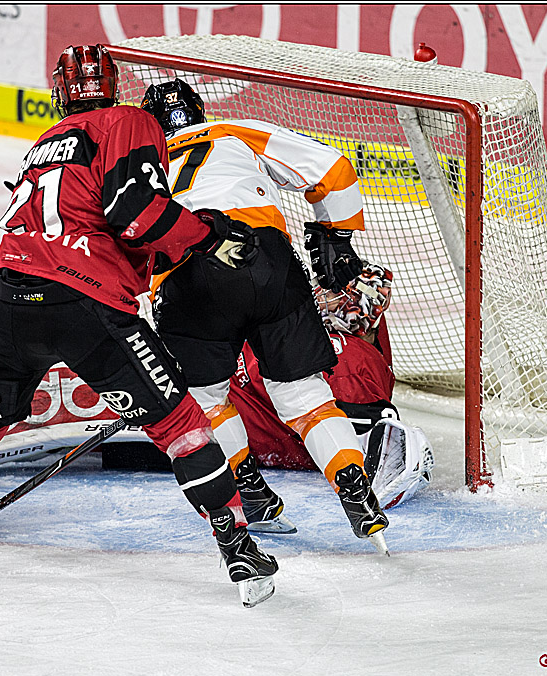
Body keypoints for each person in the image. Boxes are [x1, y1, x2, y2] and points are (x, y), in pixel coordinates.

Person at [0, 45, 278, 608]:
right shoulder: (131, 120)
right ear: (115, 85)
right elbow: (135, 212)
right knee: (178, 423)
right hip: (85, 304)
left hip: (9, 298)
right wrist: (208, 237)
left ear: (60, 93)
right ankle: (240, 550)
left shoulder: (43, 146)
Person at [140, 78, 389, 549]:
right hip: (266, 259)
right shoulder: (231, 130)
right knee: (303, 394)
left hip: (183, 273)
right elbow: (332, 170)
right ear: (199, 110)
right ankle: (355, 488)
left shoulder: (138, 165)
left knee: (206, 399)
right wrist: (337, 237)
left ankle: (249, 492)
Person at [229, 265, 435, 510]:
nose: (320, 294)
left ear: (353, 307)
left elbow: (378, 435)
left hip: (210, 422)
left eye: (331, 292)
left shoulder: (347, 360)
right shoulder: (362, 337)